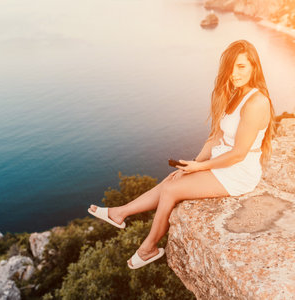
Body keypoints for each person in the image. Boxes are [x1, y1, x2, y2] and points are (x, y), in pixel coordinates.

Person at [88, 39, 275, 269]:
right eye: (231, 67)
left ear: (254, 66)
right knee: (173, 179)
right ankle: (120, 213)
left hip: (239, 171)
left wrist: (199, 168)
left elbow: (238, 154)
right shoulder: (235, 94)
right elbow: (215, 137)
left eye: (241, 66)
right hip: (222, 163)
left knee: (171, 189)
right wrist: (194, 163)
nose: (234, 73)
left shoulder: (256, 102)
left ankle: (148, 248)